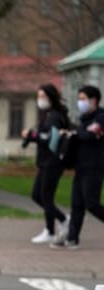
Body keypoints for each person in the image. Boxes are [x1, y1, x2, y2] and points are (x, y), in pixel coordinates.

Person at [51, 84, 104, 249]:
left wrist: (74, 134)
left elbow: (90, 135)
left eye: (83, 99)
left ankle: (72, 237)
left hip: (94, 167)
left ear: (93, 100)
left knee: (91, 203)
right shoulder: (84, 120)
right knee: (77, 204)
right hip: (81, 167)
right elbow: (81, 135)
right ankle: (72, 239)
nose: (80, 102)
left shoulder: (101, 118)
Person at [21, 83, 71, 244]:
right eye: (38, 96)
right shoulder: (47, 115)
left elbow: (51, 138)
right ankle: (56, 225)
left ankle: (58, 224)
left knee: (45, 197)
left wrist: (32, 135)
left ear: (51, 97)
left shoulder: (55, 116)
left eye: (43, 96)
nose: (40, 100)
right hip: (45, 162)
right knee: (38, 195)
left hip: (53, 162)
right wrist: (32, 135)